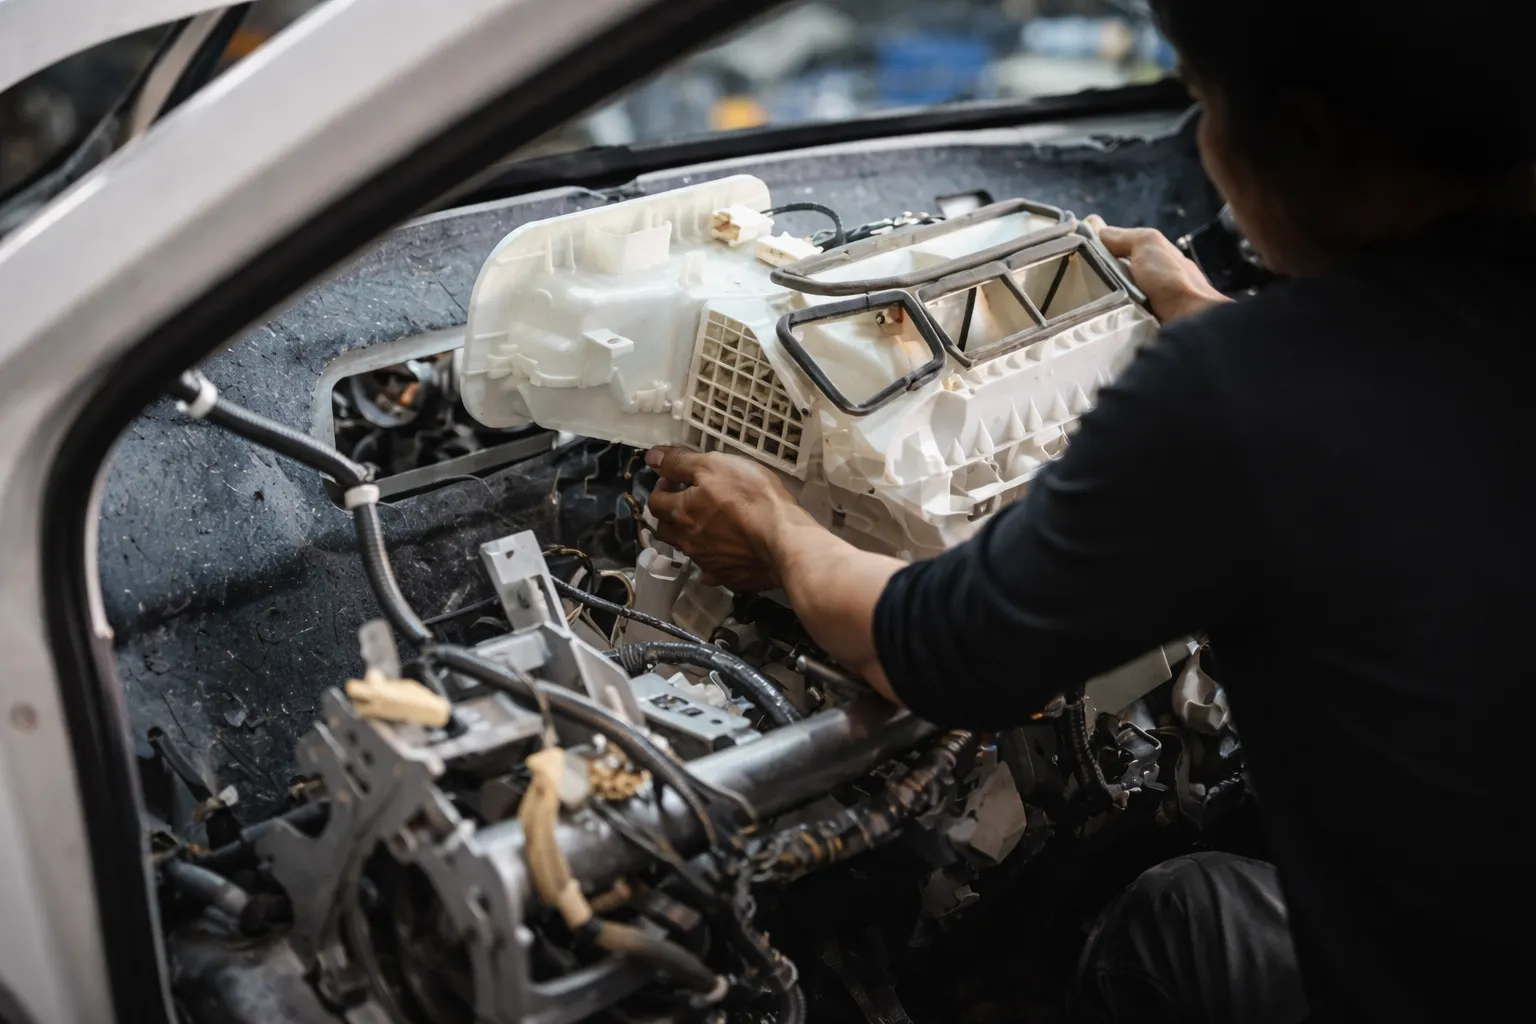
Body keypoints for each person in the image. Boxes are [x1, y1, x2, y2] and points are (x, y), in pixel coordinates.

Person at [642, 1, 1535, 1021]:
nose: (1200, 138)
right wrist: (1203, 310)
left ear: (1305, 140)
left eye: (1199, 101)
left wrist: (773, 527)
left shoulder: (1241, 398)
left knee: (1174, 915)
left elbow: (941, 651)